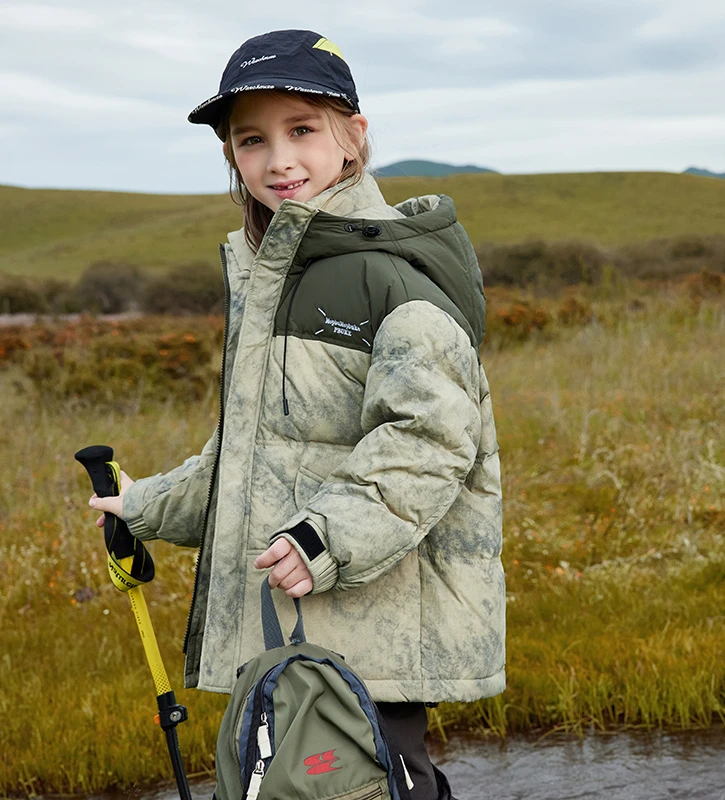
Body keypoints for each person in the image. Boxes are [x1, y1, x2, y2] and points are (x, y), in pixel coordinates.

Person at [88, 29, 504, 800]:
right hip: (293, 633)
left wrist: (323, 538)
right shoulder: (274, 275)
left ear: (353, 138)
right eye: (252, 140)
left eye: (302, 130)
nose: (279, 159)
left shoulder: (391, 277)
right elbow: (251, 454)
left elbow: (431, 439)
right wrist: (142, 506)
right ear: (233, 158)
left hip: (369, 631)